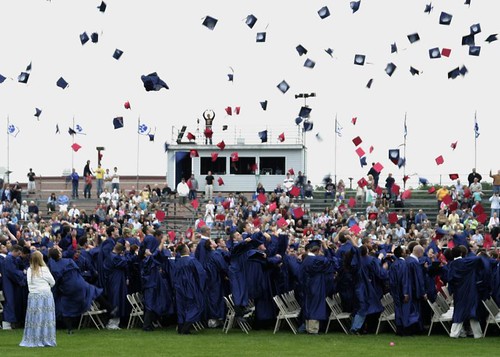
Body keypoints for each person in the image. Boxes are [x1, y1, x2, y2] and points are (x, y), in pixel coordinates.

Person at [19, 251, 56, 348]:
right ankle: (46, 338)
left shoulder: (29, 270)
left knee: (34, 318)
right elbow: (52, 282)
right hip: (45, 295)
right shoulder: (44, 269)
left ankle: (33, 338)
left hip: (33, 296)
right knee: (46, 318)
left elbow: (28, 283)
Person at [447, 246, 484, 339]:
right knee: (472, 311)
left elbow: (450, 279)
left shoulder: (452, 265)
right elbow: (478, 259)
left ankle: (455, 333)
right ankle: (477, 334)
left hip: (459, 291)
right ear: (461, 253)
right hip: (470, 290)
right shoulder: (467, 262)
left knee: (459, 311)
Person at [173, 244, 207, 334]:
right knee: (196, 305)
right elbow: (201, 273)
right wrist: (201, 285)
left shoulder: (177, 262)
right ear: (186, 250)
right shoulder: (191, 260)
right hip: (191, 287)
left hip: (179, 287)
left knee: (182, 307)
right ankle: (186, 327)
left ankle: (181, 327)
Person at [1, 245, 27, 330]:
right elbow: (13, 272)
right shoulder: (9, 260)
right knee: (10, 302)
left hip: (11, 284)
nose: (19, 255)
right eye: (18, 253)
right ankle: (7, 325)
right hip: (9, 284)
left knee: (12, 302)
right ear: (15, 251)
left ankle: (11, 323)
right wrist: (23, 274)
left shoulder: (11, 259)